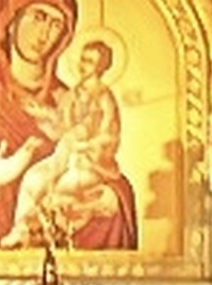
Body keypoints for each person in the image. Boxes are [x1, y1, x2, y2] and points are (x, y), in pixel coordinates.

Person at [0, 0, 135, 251]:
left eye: (56, 24)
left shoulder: (74, 102)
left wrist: (110, 200)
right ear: (10, 20)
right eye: (38, 17)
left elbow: (107, 171)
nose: (45, 33)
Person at [20, 36, 138, 250]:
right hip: (64, 155)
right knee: (32, 178)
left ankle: (58, 239)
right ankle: (18, 230)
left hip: (91, 163)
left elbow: (109, 136)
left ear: (100, 67)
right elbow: (60, 128)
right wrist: (43, 116)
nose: (83, 66)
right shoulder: (72, 94)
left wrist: (86, 147)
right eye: (82, 60)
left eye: (89, 62)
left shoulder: (104, 97)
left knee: (61, 188)